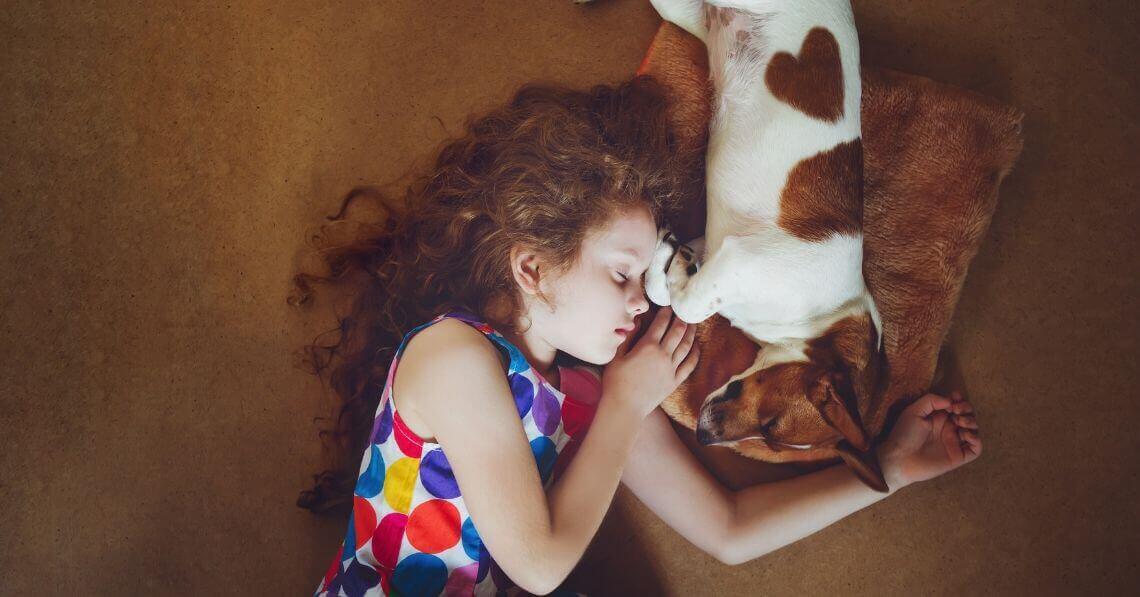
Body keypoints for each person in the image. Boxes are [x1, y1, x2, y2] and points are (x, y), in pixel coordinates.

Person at [295, 75, 983, 597]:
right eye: (623, 272)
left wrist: (888, 469)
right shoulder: (453, 355)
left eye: (647, 273)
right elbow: (538, 564)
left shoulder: (594, 395)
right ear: (533, 266)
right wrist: (624, 403)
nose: (643, 298)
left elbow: (728, 528)